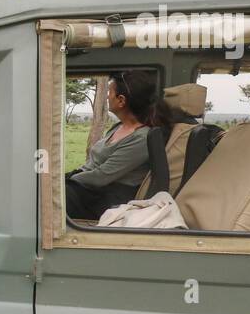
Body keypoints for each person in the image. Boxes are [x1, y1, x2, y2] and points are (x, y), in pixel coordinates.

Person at [65, 70, 172, 221]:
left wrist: (67, 179)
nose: (107, 96)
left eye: (109, 92)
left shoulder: (141, 138)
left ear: (121, 100)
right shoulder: (119, 127)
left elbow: (101, 177)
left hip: (105, 198)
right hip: (89, 188)